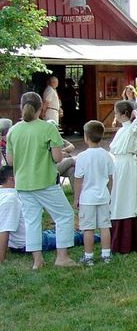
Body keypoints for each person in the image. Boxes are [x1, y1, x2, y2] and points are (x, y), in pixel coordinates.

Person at [5, 92, 77, 269]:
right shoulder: (47, 128)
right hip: (45, 181)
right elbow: (58, 158)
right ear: (41, 107)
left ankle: (37, 261)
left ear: (22, 107)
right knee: (65, 216)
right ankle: (62, 257)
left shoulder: (13, 131)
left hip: (23, 183)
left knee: (32, 221)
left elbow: (10, 162)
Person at [110, 100, 137, 254]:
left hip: (128, 165)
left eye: (116, 113)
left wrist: (134, 111)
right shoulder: (122, 130)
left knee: (127, 198)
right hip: (120, 165)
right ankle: (116, 234)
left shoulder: (133, 129)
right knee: (118, 197)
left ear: (124, 114)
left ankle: (128, 237)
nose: (115, 116)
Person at [73, 120, 115, 266]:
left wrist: (76, 198)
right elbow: (110, 179)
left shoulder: (82, 157)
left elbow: (78, 180)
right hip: (103, 196)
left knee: (87, 228)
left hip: (87, 198)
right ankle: (106, 255)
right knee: (105, 226)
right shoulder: (107, 156)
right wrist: (109, 194)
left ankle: (88, 256)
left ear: (86, 137)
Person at [0, 165, 26, 263]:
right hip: (24, 243)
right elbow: (4, 229)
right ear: (12, 179)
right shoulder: (11, 199)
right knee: (72, 236)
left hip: (24, 239)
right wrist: (1, 259)